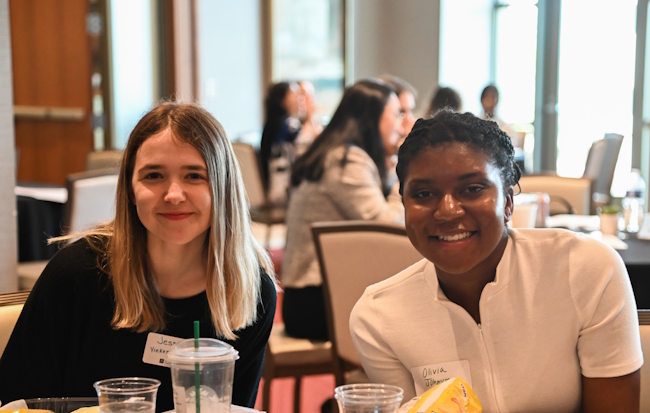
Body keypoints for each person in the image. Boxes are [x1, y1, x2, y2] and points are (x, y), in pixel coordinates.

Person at [350, 111, 643, 412]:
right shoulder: (378, 317)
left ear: (507, 201)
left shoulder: (585, 269)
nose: (448, 211)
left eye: (473, 189)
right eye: (424, 193)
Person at [0, 102, 278, 412]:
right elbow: (15, 401)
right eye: (154, 175)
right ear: (131, 190)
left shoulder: (250, 290)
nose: (174, 194)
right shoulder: (75, 275)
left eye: (194, 176)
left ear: (222, 188)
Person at [282, 79, 406, 341]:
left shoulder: (334, 153)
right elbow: (388, 226)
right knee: (412, 312)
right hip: (315, 304)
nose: (401, 125)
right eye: (397, 114)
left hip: (307, 297)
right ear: (372, 119)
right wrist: (403, 179)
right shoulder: (345, 161)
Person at [260, 81, 303, 205]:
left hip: (272, 185)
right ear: (282, 100)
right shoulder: (287, 125)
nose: (299, 99)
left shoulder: (271, 125)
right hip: (281, 190)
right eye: (294, 94)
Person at [294, 80, 324, 157]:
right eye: (302, 94)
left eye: (309, 95)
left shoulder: (317, 123)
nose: (304, 99)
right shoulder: (292, 124)